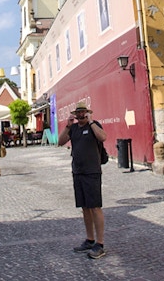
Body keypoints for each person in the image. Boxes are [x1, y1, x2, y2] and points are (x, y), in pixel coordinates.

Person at [58, 101, 107, 259]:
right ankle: (89, 239)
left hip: (92, 172)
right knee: (85, 207)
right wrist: (67, 125)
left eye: (83, 112)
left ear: (87, 112)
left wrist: (91, 122)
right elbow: (60, 142)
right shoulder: (73, 128)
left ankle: (100, 243)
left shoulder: (94, 125)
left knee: (95, 207)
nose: (80, 115)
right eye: (78, 113)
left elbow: (103, 137)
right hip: (77, 172)